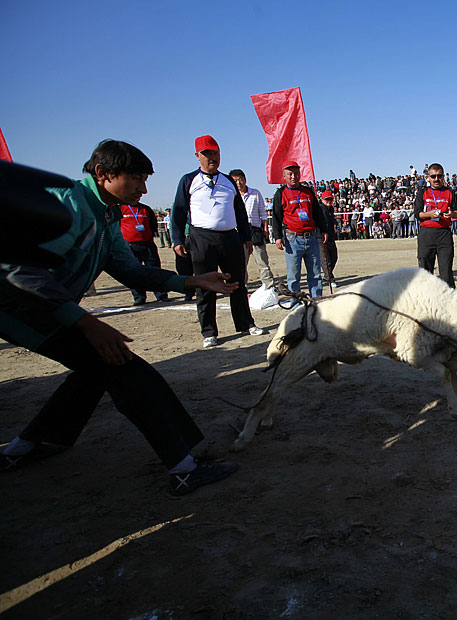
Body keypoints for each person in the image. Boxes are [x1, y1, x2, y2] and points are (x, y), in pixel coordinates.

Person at [0, 140, 240, 494]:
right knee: (126, 368)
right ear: (103, 173)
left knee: (94, 371)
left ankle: (28, 445)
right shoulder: (67, 204)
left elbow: (129, 269)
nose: (144, 189)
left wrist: (191, 280)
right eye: (138, 179)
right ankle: (183, 466)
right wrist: (84, 321)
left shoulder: (109, 214)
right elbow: (20, 270)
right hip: (21, 311)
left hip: (45, 311)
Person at [171, 135, 264, 348]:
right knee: (205, 285)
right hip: (202, 238)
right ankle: (209, 331)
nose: (212, 158)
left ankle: (245, 323)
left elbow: (239, 211)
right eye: (207, 154)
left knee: (237, 282)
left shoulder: (228, 181)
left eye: (215, 153)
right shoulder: (188, 181)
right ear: (197, 156)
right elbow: (178, 211)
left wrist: (245, 237)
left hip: (229, 237)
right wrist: (177, 239)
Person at [271, 162, 328, 307]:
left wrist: (324, 229)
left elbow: (317, 212)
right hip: (292, 239)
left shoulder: (308, 192)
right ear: (284, 176)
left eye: (296, 173)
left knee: (315, 274)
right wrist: (277, 236)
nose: (293, 177)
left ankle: (316, 304)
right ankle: (295, 306)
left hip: (312, 237)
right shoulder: (280, 194)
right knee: (294, 276)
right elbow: (276, 216)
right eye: (290, 174)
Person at [414, 163, 457, 288]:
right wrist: (429, 214)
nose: (436, 179)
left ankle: (449, 298)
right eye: (433, 176)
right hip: (426, 234)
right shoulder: (422, 192)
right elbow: (418, 214)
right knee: (425, 270)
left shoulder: (449, 192)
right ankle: (425, 297)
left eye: (439, 176)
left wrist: (451, 214)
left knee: (446, 271)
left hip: (444, 234)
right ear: (428, 177)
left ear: (443, 176)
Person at [229, 169, 275, 291]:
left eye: (240, 179)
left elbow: (263, 214)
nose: (238, 182)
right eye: (235, 180)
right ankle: (242, 286)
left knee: (262, 261)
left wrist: (265, 228)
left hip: (255, 231)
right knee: (241, 263)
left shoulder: (255, 193)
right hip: (239, 233)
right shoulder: (231, 196)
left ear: (245, 179)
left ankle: (269, 285)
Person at [119, 201, 168, 305]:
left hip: (147, 244)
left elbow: (153, 225)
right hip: (130, 246)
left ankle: (161, 295)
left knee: (155, 269)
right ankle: (139, 296)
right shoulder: (120, 209)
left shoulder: (146, 209)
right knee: (133, 272)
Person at [318, 190, 339, 288]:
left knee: (334, 257)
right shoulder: (319, 209)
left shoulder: (331, 209)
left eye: (330, 199)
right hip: (321, 237)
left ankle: (327, 275)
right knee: (326, 259)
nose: (329, 201)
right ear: (322, 199)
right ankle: (330, 278)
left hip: (330, 237)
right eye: (327, 199)